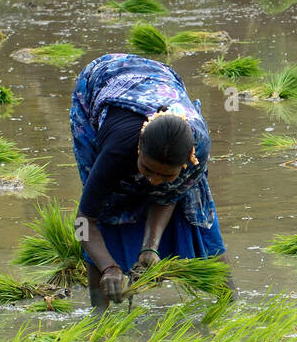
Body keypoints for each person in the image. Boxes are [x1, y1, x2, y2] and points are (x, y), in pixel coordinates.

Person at [70, 53, 228, 310]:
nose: (154, 181)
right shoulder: (117, 149)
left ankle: (228, 303)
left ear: (187, 160)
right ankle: (99, 312)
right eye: (147, 169)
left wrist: (149, 249)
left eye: (167, 175)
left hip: (161, 79)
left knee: (193, 199)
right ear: (139, 147)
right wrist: (109, 267)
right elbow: (83, 222)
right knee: (108, 202)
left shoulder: (197, 149)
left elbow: (169, 195)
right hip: (99, 81)